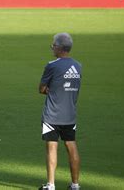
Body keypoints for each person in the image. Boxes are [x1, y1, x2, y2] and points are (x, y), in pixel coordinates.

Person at [38, 33, 81, 190]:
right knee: (71, 145)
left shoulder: (52, 65)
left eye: (53, 45)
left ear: (59, 48)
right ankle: (75, 185)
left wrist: (54, 90)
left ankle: (50, 185)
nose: (52, 48)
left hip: (52, 115)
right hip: (70, 113)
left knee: (52, 147)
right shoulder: (78, 66)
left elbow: (42, 89)